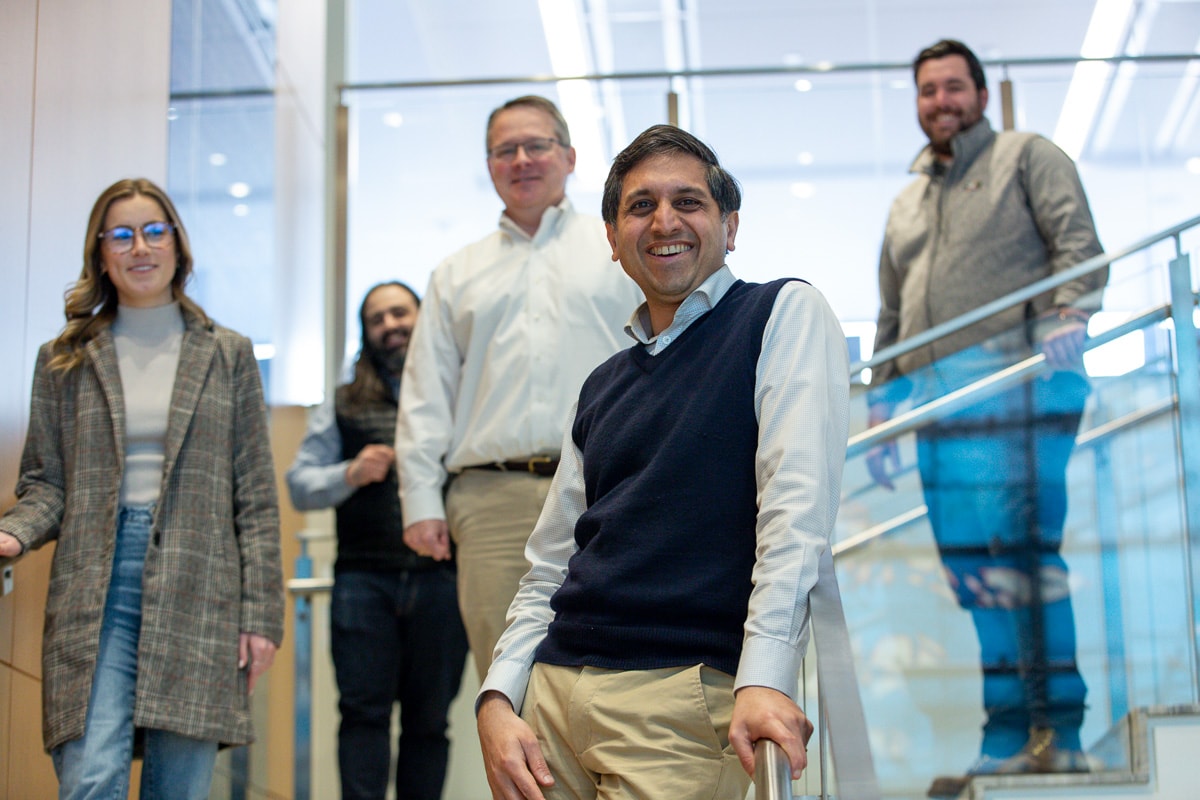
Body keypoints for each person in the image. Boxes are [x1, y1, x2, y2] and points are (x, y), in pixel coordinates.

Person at [475, 124, 850, 800]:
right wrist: (498, 699)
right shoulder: (603, 383)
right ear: (614, 242)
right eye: (640, 206)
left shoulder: (780, 314)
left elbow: (796, 517)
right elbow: (549, 566)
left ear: (730, 226)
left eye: (689, 202)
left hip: (677, 701)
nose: (664, 221)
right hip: (550, 702)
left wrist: (764, 677)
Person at [865, 39, 1108, 793]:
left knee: (1025, 565)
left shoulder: (1027, 157)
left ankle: (1058, 731)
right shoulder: (907, 203)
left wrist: (1070, 311)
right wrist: (881, 401)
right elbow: (892, 313)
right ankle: (1008, 732)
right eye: (927, 91)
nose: (940, 101)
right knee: (974, 579)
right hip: (940, 413)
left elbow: (1080, 248)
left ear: (980, 93)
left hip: (1020, 398)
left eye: (953, 87)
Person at [0, 178, 284, 799]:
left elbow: (255, 498)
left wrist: (261, 617)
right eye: (121, 235)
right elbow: (45, 483)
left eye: (155, 231)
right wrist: (12, 535)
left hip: (201, 581)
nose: (140, 247)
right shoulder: (64, 357)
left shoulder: (228, 353)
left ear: (178, 246)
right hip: (95, 581)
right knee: (90, 777)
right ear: (101, 253)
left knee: (177, 788)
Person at [395, 95, 644, 683]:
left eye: (537, 145)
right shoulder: (455, 273)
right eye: (505, 150)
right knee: (506, 682)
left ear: (570, 156)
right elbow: (426, 391)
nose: (522, 160)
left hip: (610, 487)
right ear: (489, 166)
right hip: (491, 502)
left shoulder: (620, 250)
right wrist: (421, 501)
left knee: (614, 671)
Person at [286, 281, 469, 800]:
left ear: (422, 317)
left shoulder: (459, 394)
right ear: (366, 334)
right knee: (362, 717)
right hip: (363, 584)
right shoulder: (342, 403)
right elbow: (299, 483)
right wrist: (349, 472)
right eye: (377, 319)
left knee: (430, 723)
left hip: (441, 582)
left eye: (399, 313)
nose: (390, 325)